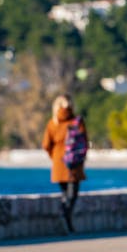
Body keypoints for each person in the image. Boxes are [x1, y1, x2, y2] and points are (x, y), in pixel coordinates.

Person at [42, 94, 87, 233]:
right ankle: (65, 217)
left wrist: (55, 156)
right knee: (72, 194)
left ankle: (65, 218)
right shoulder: (76, 121)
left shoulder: (52, 123)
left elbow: (46, 145)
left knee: (65, 194)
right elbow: (84, 143)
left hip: (58, 163)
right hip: (74, 163)